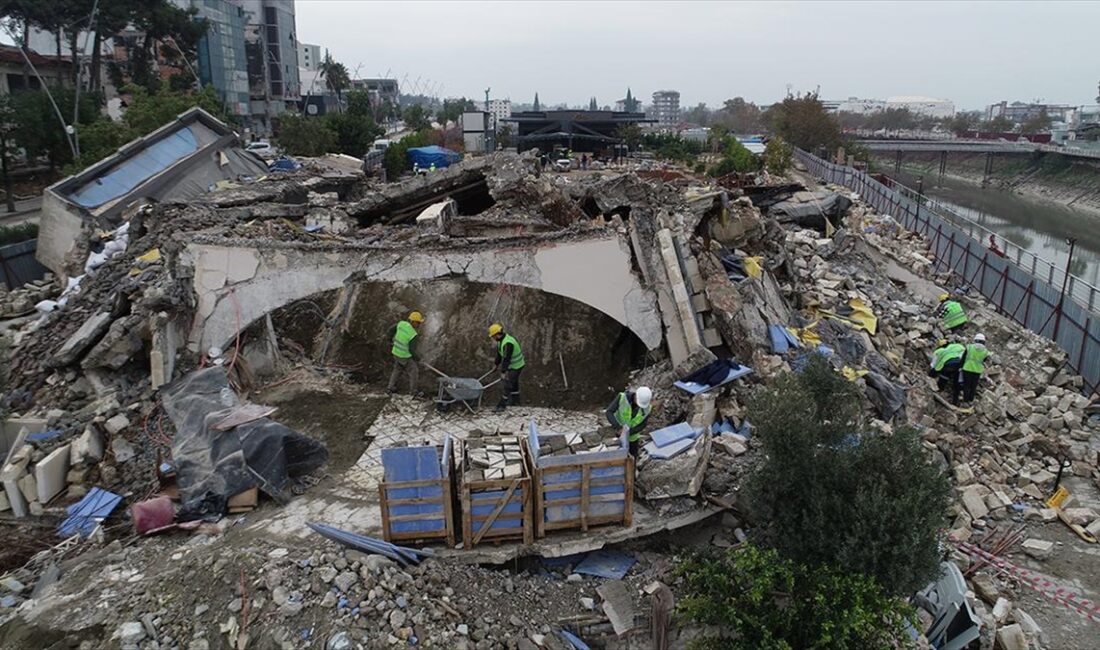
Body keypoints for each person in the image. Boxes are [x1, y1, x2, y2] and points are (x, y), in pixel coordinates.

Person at [605, 387, 653, 458]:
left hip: (633, 439)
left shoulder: (647, 408)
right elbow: (609, 412)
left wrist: (629, 432)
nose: (639, 405)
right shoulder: (622, 397)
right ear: (636, 395)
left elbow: (643, 424)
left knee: (632, 460)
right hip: (618, 436)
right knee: (617, 459)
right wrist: (618, 427)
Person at [489, 323, 525, 412]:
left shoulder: (508, 343)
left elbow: (506, 359)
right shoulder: (501, 341)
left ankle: (502, 405)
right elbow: (499, 355)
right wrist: (496, 364)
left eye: (493, 336)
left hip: (516, 366)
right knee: (514, 383)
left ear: (497, 334)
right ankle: (515, 401)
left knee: (508, 384)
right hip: (513, 365)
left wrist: (503, 373)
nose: (492, 338)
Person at [387, 311, 424, 395]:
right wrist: (418, 358)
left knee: (397, 369)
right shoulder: (413, 334)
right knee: (414, 371)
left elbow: (390, 330)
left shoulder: (401, 324)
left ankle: (390, 387)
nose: (419, 324)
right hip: (404, 356)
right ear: (413, 322)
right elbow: (411, 350)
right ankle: (413, 391)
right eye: (418, 322)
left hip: (396, 352)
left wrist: (389, 340)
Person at [929, 338, 966, 404]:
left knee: (944, 376)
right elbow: (964, 352)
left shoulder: (938, 351)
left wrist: (931, 373)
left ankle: (940, 389)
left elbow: (933, 365)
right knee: (956, 382)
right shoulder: (956, 346)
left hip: (948, 365)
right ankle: (955, 400)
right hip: (959, 364)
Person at [961, 333, 990, 402]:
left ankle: (965, 400)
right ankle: (971, 400)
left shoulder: (969, 347)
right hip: (977, 371)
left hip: (967, 368)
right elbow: (984, 360)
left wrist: (960, 367)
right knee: (973, 386)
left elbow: (963, 358)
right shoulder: (985, 351)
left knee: (966, 385)